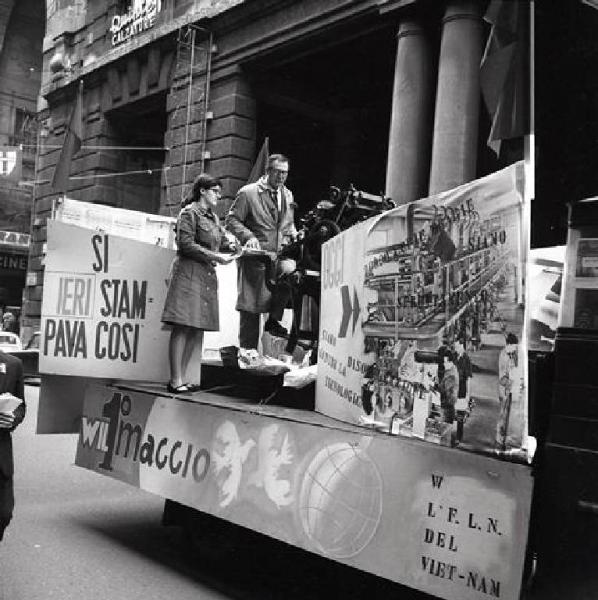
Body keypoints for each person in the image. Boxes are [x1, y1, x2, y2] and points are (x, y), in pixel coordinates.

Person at [161, 174, 239, 393]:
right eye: (215, 191)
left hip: (205, 275)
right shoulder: (189, 213)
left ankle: (182, 378)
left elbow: (222, 241)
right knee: (183, 325)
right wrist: (216, 257)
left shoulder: (213, 218)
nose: (218, 196)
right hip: (188, 273)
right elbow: (185, 244)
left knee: (196, 328)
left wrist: (232, 246)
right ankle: (175, 380)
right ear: (202, 191)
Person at [226, 154, 297, 349]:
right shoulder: (248, 193)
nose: (282, 177)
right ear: (268, 171)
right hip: (255, 260)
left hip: (278, 257)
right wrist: (249, 237)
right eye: (278, 172)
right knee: (250, 310)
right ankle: (247, 355)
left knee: (291, 272)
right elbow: (231, 220)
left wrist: (294, 235)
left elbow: (288, 224)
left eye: (285, 173)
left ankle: (274, 321)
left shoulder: (288, 195)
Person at [0, 350, 25, 541]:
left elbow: (21, 406)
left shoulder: (14, 364)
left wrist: (13, 419)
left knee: (4, 513)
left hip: (1, 455)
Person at [496, 332, 519, 450]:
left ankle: (504, 437)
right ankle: (499, 440)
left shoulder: (511, 353)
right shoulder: (503, 356)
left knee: (507, 415)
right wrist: (514, 383)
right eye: (514, 346)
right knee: (503, 415)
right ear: (508, 345)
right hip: (504, 391)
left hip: (509, 390)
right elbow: (502, 378)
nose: (515, 349)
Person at [454, 338, 473, 445]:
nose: (455, 348)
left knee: (460, 416)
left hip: (462, 391)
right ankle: (452, 434)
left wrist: (468, 395)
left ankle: (459, 437)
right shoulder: (456, 357)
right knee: (453, 413)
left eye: (457, 346)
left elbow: (469, 379)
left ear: (462, 346)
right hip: (454, 390)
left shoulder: (467, 360)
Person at [437, 345, 459, 426]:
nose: (442, 363)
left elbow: (447, 392)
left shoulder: (451, 375)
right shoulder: (451, 369)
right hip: (448, 405)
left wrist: (437, 388)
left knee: (445, 427)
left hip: (447, 407)